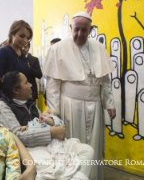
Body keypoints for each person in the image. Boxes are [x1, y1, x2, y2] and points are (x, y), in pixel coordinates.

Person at [43, 11, 116, 180]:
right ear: (71, 28)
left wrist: (109, 103)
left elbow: (105, 81)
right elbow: (53, 87)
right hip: (70, 106)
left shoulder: (98, 47)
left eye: (84, 30)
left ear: (90, 30)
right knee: (74, 146)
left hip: (95, 106)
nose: (79, 34)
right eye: (76, 29)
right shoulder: (57, 49)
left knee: (94, 147)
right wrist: (54, 115)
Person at [0, 71, 94, 179]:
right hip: (26, 150)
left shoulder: (29, 103)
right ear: (15, 90)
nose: (31, 85)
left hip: (45, 145)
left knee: (86, 151)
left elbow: (39, 122)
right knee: (56, 167)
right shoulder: (2, 106)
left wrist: (49, 118)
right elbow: (18, 136)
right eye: (26, 82)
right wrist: (51, 133)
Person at [0, 20, 32, 99]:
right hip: (6, 100)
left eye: (28, 38)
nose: (25, 40)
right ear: (12, 34)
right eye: (22, 36)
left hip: (21, 99)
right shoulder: (4, 51)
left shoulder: (21, 54)